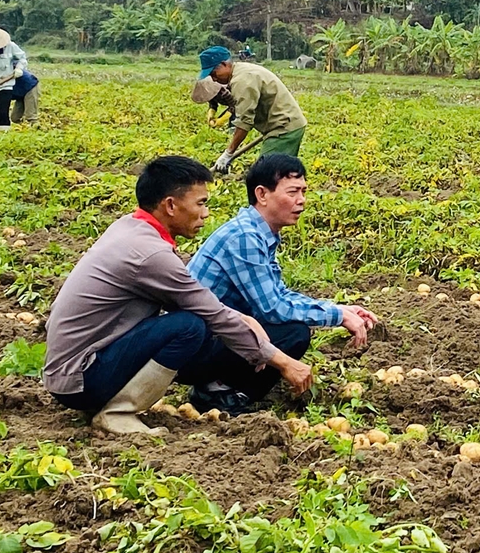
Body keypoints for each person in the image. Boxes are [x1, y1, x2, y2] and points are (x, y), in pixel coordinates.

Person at [44, 156, 314, 435]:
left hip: (71, 369)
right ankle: (118, 412)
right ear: (171, 205)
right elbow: (209, 312)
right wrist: (282, 361)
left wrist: (242, 318)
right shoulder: (151, 255)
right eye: (201, 203)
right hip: (80, 379)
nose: (206, 213)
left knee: (194, 321)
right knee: (187, 327)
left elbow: (201, 302)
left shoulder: (129, 228)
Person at [188, 154, 377, 414]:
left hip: (218, 331)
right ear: (262, 194)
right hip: (195, 344)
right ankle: (214, 391)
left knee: (290, 329)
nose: (301, 200)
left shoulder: (259, 233)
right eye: (293, 192)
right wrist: (337, 316)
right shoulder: (244, 237)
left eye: (303, 191)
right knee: (292, 333)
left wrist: (339, 308)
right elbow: (273, 308)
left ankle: (222, 386)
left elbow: (278, 295)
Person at [194, 46, 308, 170]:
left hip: (284, 128)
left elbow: (244, 122)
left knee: (266, 175)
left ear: (224, 64)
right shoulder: (240, 70)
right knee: (279, 174)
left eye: (214, 74)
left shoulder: (242, 81)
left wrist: (228, 153)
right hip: (282, 124)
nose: (214, 79)